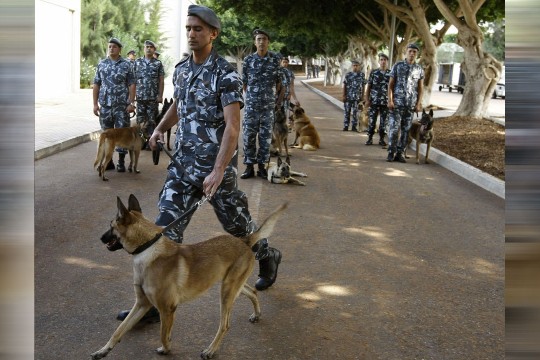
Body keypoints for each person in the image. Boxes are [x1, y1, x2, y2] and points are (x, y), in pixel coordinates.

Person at [240, 28, 284, 179]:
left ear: (268, 42)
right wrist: (251, 97)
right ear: (255, 42)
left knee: (265, 138)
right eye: (258, 39)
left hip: (267, 108)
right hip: (251, 107)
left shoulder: (274, 60)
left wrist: (271, 97)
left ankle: (262, 167)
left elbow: (279, 83)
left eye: (264, 39)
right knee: (249, 136)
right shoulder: (248, 61)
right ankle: (249, 167)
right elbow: (244, 83)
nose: (261, 42)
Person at [92, 37, 136, 172]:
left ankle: (121, 161)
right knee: (106, 134)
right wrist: (95, 104)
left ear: (119, 49)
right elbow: (96, 84)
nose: (111, 48)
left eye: (114, 47)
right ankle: (108, 161)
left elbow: (132, 84)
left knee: (123, 134)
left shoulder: (127, 65)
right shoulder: (102, 64)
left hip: (121, 106)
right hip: (105, 106)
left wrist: (131, 103)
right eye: (110, 46)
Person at [386, 43, 424, 162]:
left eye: (414, 52)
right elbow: (391, 84)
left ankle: (400, 153)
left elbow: (421, 88)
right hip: (396, 104)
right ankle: (391, 152)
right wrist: (390, 100)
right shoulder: (397, 65)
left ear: (417, 54)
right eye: (410, 51)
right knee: (394, 129)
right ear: (406, 52)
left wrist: (418, 104)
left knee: (406, 130)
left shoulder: (419, 69)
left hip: (410, 105)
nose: (412, 53)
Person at [133, 40, 164, 146]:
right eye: (147, 47)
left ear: (154, 49)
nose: (149, 48)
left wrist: (160, 96)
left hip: (152, 98)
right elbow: (133, 81)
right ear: (143, 49)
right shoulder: (137, 62)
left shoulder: (157, 63)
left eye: (151, 47)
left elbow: (161, 81)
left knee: (151, 120)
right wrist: (131, 99)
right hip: (140, 97)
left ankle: (151, 142)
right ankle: (141, 142)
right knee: (140, 120)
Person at [365, 53, 391, 146]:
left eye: (385, 60)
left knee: (384, 122)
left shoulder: (391, 73)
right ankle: (370, 138)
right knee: (372, 120)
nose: (383, 61)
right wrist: (367, 100)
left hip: (385, 102)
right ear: (379, 61)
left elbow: (392, 88)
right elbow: (369, 87)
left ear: (387, 61)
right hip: (374, 101)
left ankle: (381, 139)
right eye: (381, 60)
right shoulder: (374, 73)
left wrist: (391, 101)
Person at [342, 60, 365, 132]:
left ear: (359, 66)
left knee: (355, 112)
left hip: (357, 98)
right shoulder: (348, 75)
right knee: (347, 112)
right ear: (352, 66)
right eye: (354, 65)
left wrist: (362, 96)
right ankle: (346, 125)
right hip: (348, 97)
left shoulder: (361, 75)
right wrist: (344, 95)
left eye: (356, 66)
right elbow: (345, 85)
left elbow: (363, 85)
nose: (355, 67)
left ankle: (354, 126)